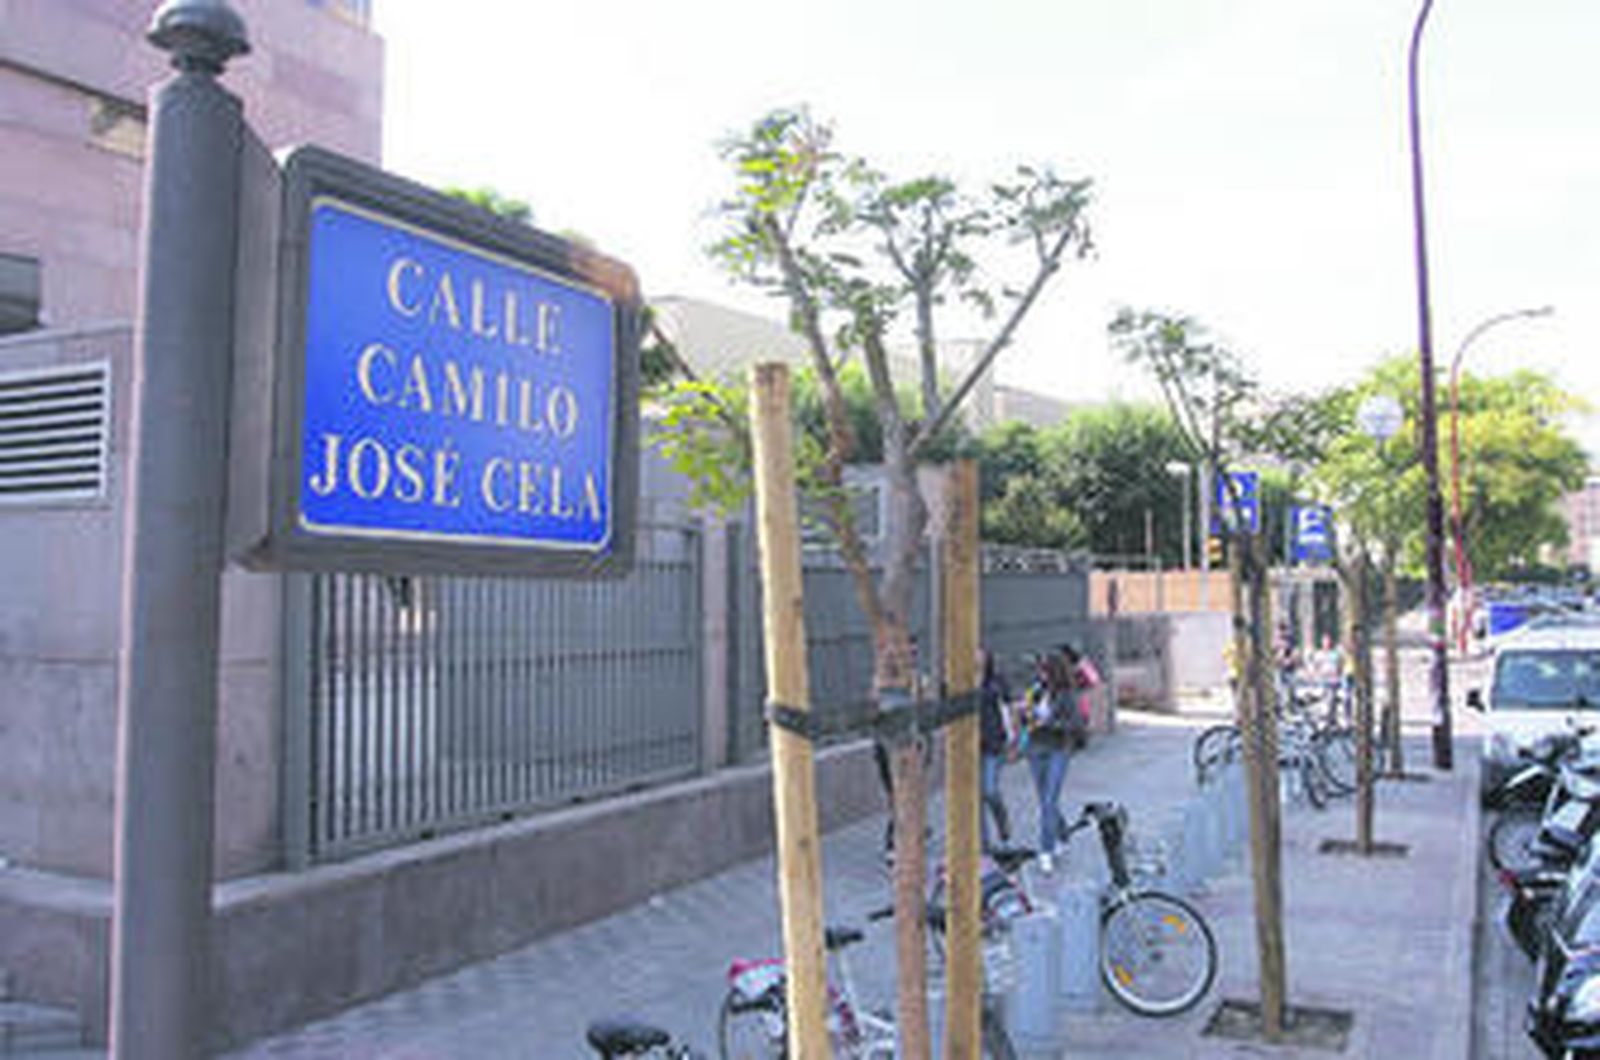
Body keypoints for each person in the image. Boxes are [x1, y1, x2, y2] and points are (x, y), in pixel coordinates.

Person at [1024, 648, 1077, 873]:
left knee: (1048, 800)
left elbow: (1073, 723)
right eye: (1040, 670)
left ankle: (1045, 850)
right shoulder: (1036, 690)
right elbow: (1028, 715)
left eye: (1045, 670)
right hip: (1036, 748)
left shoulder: (1066, 695)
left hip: (1058, 748)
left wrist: (1049, 723)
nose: (1041, 674)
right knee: (1046, 800)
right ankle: (1062, 832)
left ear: (1054, 671)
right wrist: (1027, 714)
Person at [977, 649, 1014, 852]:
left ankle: (1004, 829)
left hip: (993, 743)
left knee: (990, 791)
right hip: (970, 746)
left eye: (981, 656)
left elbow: (1006, 711)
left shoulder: (997, 682)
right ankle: (983, 843)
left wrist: (1011, 739)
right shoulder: (963, 680)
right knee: (975, 797)